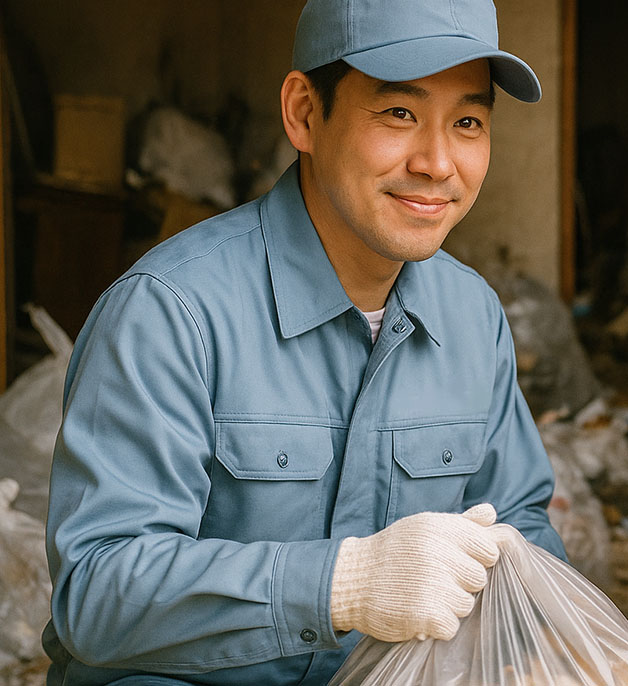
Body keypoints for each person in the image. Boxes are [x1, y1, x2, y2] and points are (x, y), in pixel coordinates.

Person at [43, 1, 565, 684]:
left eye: (467, 122)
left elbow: (520, 531)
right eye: (399, 114)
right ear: (303, 113)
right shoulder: (172, 312)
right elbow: (97, 591)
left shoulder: (471, 316)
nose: (439, 163)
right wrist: (343, 584)